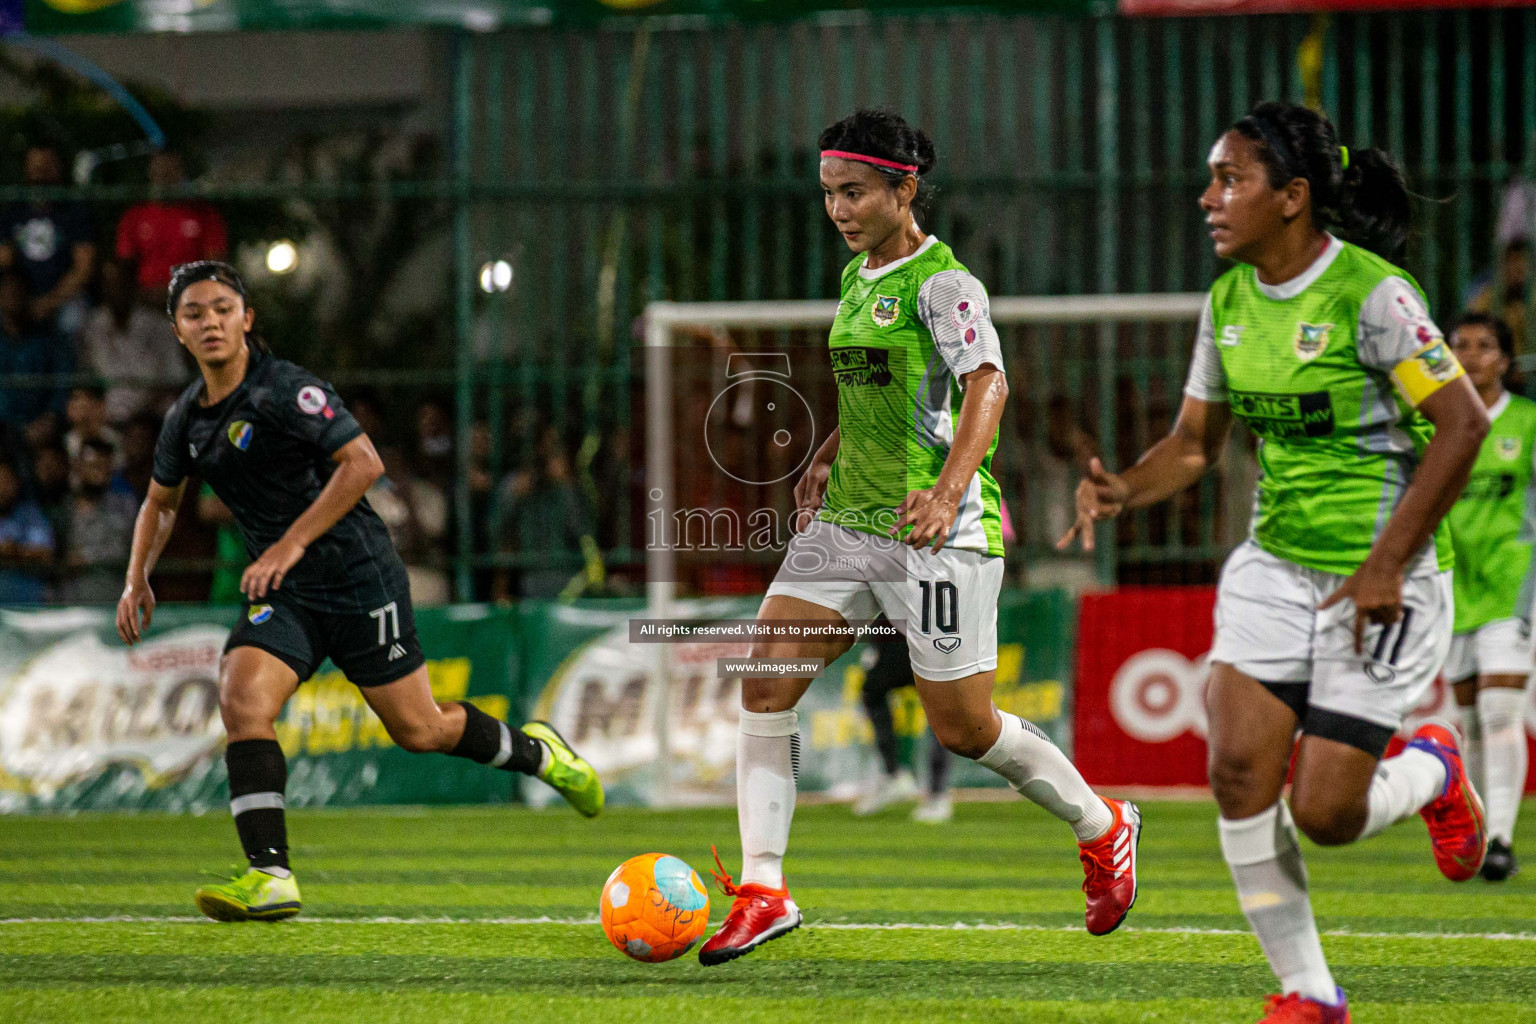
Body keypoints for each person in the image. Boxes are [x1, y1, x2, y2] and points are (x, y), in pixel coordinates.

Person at [1060, 102, 1489, 1023]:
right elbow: (1192, 443)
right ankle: (1309, 993)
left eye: (1231, 179)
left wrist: (1385, 563)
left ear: (1293, 198)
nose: (1208, 197)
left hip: (1388, 576)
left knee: (1328, 814)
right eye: (1213, 177)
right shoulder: (1229, 302)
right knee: (1238, 771)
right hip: (1275, 566)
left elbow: (1464, 426)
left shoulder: (1374, 297)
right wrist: (1123, 489)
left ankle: (1433, 773)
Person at [697, 110, 1141, 967]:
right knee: (765, 682)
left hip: (936, 532)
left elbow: (987, 386)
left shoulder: (947, 286)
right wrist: (827, 454)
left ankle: (1104, 823)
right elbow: (880, 394)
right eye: (829, 193)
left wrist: (945, 492)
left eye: (854, 192)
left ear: (905, 190)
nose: (838, 208)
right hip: (848, 523)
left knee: (965, 731)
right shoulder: (860, 277)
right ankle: (764, 890)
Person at [117, 261, 603, 923]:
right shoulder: (187, 420)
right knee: (241, 696)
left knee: (420, 729)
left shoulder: (287, 390)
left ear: (247, 318)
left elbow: (364, 464)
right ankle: (270, 874)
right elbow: (161, 502)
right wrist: (136, 574)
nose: (211, 322)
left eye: (223, 308)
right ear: (177, 329)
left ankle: (541, 753)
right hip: (285, 593)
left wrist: (289, 543)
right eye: (195, 313)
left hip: (357, 578)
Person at [1443, 312, 1534, 882]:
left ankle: (1501, 835)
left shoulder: (1526, 422)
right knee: (1469, 717)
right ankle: (1479, 832)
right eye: (1461, 346)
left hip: (1512, 579)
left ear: (1505, 358)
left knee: (1502, 709)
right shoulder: (1435, 424)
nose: (1472, 356)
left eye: (1484, 346)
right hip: (1452, 586)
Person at [853, 628, 953, 823]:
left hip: (928, 635)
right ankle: (898, 778)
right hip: (904, 635)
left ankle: (935, 793)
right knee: (873, 692)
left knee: (941, 706)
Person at [0, 144, 95, 340]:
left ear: (60, 169)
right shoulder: (12, 212)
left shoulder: (75, 213)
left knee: (72, 320)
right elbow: (4, 263)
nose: (40, 175)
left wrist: (47, 303)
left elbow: (84, 269)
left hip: (65, 297)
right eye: (36, 168)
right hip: (20, 296)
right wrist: (19, 301)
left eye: (47, 168)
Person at [78, 259, 190, 424]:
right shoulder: (92, 327)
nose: (114, 291)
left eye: (120, 284)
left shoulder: (158, 326)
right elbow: (86, 380)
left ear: (132, 286)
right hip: (106, 416)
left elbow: (176, 378)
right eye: (108, 284)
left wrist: (144, 411)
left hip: (152, 415)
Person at [114, 150, 227, 299]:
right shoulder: (135, 215)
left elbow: (214, 264)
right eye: (159, 173)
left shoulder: (203, 214)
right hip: (144, 301)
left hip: (193, 299)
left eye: (169, 173)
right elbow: (124, 264)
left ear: (181, 172)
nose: (164, 180)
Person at [60, 438, 137, 603]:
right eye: (93, 466)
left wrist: (85, 557)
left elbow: (125, 549)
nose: (99, 473)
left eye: (104, 467)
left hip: (109, 597)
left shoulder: (124, 505)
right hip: (69, 600)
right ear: (78, 467)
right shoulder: (65, 506)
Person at [0, 454, 53, 603]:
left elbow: (45, 552)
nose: (2, 488)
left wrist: (14, 551)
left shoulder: (30, 515)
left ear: (16, 483)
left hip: (28, 608)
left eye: (6, 481)